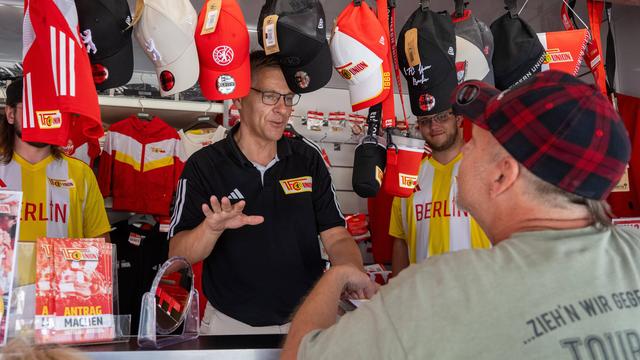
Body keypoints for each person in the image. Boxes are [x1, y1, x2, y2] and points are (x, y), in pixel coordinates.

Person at [281, 70, 640, 359]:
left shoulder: (439, 291)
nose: (464, 150)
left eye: (475, 142)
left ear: (502, 175)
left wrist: (338, 275)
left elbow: (299, 355)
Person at [167, 50, 363, 335]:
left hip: (308, 321)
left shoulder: (307, 158)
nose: (282, 109)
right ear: (239, 98)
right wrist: (211, 229)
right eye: (270, 96)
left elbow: (336, 234)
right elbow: (177, 255)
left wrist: (351, 272)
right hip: (231, 325)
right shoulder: (204, 166)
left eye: (287, 98)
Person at [0, 78, 110, 285]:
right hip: (4, 307)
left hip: (60, 306)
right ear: (11, 114)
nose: (42, 117)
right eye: (33, 109)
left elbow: (100, 247)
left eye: (51, 110)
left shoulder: (81, 174)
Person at [390, 106, 491, 276]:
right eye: (425, 121)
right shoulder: (408, 177)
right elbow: (400, 241)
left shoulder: (488, 169)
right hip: (425, 296)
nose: (433, 126)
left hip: (479, 295)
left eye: (442, 117)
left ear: (458, 119)